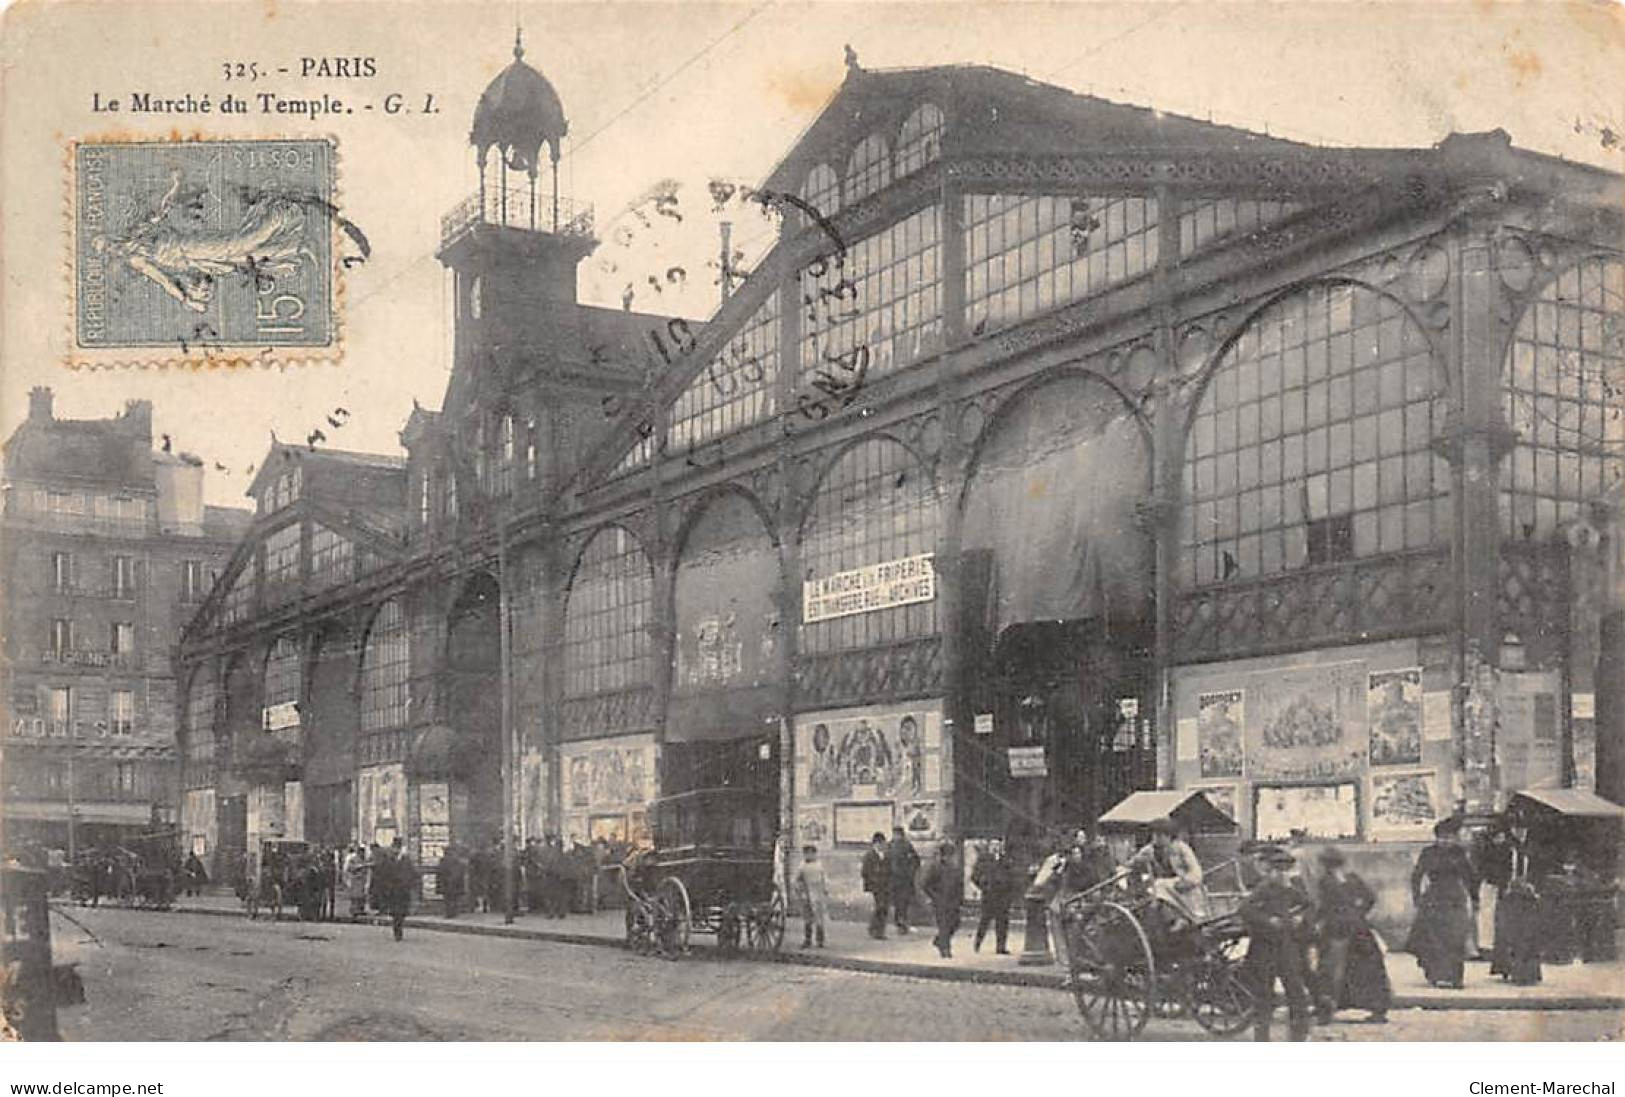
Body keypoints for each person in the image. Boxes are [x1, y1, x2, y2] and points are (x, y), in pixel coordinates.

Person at [1239, 845, 1315, 1041]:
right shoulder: (1264, 888)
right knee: (1264, 994)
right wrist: (1268, 920)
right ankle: (1262, 1036)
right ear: (1270, 870)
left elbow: (1309, 906)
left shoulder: (1292, 889)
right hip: (1264, 949)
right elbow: (1246, 910)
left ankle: (1300, 1032)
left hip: (1286, 946)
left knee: (1295, 989)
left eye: (1285, 870)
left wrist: (1301, 918)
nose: (1281, 874)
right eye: (1277, 869)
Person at [1313, 847, 1390, 1024]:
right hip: (1358, 929)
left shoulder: (1325, 881)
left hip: (1336, 930)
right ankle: (1377, 1008)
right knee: (1366, 969)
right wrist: (1358, 912)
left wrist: (1317, 921)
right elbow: (1370, 898)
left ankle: (1327, 1009)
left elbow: (1324, 906)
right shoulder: (1352, 878)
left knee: (1332, 970)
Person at [1405, 816, 1477, 989]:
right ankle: (1436, 975)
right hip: (1434, 899)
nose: (1445, 841)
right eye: (1442, 837)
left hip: (1455, 899)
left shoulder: (1459, 853)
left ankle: (1455, 977)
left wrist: (1474, 899)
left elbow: (1470, 877)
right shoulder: (1428, 852)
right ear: (1436, 838)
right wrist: (1417, 897)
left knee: (1455, 938)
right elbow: (1416, 876)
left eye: (1450, 837)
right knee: (1433, 939)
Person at [1490, 822, 1543, 984]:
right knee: (1508, 934)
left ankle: (1528, 972)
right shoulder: (1505, 850)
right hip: (1509, 897)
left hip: (1528, 898)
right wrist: (1505, 885)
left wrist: (1534, 886)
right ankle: (1507, 968)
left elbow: (1539, 872)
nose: (1521, 832)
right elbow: (1494, 871)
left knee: (1528, 934)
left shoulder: (1531, 851)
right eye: (1517, 829)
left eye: (1524, 829)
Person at [1127, 818, 1209, 921]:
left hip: (1182, 887)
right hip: (1160, 890)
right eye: (1154, 835)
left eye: (1161, 835)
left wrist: (1186, 882)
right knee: (1156, 889)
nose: (1156, 838)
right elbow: (1130, 866)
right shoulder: (1148, 851)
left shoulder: (1181, 848)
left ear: (1170, 836)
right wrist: (1138, 862)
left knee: (1160, 886)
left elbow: (1196, 873)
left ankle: (1184, 918)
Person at [971, 838, 1019, 955]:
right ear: (989, 847)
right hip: (989, 895)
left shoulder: (1006, 859)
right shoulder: (984, 859)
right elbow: (975, 875)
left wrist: (1009, 891)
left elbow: (1012, 876)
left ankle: (1001, 946)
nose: (996, 847)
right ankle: (978, 943)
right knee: (985, 920)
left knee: (1002, 922)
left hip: (1003, 896)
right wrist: (983, 885)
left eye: (998, 845)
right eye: (993, 845)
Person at [921, 841, 964, 958]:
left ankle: (939, 941)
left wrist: (960, 900)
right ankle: (945, 950)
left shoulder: (955, 868)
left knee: (955, 923)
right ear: (945, 856)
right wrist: (935, 897)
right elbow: (925, 884)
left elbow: (959, 885)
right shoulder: (936, 867)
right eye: (950, 855)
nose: (952, 858)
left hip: (953, 902)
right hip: (940, 902)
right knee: (944, 925)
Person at [793, 844, 831, 948]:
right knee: (807, 918)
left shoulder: (819, 866)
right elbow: (797, 880)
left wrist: (825, 889)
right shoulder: (802, 866)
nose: (809, 856)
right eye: (806, 854)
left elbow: (824, 879)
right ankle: (807, 939)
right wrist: (800, 891)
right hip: (807, 894)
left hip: (818, 893)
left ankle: (820, 940)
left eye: (811, 853)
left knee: (819, 918)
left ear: (815, 854)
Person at [376, 838, 414, 941]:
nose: (395, 850)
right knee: (395, 912)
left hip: (403, 890)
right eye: (394, 848)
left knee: (401, 912)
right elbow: (384, 874)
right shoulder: (389, 860)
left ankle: (399, 927)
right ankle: (397, 931)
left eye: (397, 848)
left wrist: (408, 884)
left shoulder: (406, 860)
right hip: (393, 890)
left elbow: (411, 873)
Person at [887, 826, 921, 933]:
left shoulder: (907, 846)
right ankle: (899, 923)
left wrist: (910, 872)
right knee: (897, 902)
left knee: (903, 902)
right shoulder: (890, 846)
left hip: (905, 879)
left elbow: (916, 861)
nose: (896, 836)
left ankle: (902, 923)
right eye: (894, 834)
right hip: (893, 879)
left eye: (898, 834)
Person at [861, 832, 890, 939]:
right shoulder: (869, 855)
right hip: (875, 886)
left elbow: (889, 869)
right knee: (880, 907)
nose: (883, 846)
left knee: (884, 908)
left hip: (885, 886)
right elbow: (865, 872)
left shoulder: (886, 855)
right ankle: (876, 930)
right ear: (876, 843)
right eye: (881, 843)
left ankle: (877, 929)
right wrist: (874, 879)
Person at [343, 844, 370, 920]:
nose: (362, 853)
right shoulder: (353, 859)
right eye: (361, 851)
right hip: (354, 879)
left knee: (361, 896)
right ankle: (353, 912)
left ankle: (359, 910)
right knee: (355, 897)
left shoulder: (364, 859)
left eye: (363, 851)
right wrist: (359, 866)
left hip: (361, 880)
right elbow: (350, 868)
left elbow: (366, 869)